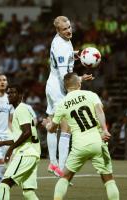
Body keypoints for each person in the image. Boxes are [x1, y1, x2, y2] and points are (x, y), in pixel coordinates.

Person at [43, 72, 120, 200]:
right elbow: (100, 111)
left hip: (79, 145)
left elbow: (52, 130)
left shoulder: (62, 104)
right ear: (79, 83)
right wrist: (105, 130)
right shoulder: (91, 95)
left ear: (65, 86)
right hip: (97, 142)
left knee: (65, 177)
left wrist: (47, 125)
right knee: (108, 180)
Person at [45, 16, 93, 176]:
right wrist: (79, 79)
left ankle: (53, 163)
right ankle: (62, 168)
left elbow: (65, 57)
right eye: (65, 29)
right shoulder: (61, 46)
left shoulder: (62, 41)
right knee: (67, 127)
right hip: (59, 88)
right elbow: (64, 74)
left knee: (52, 124)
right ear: (58, 30)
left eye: (69, 27)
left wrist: (75, 55)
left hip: (51, 85)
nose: (69, 30)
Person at [0, 84, 41, 200]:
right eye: (8, 93)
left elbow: (27, 132)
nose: (9, 95)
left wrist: (11, 149)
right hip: (32, 154)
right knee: (28, 192)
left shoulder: (21, 109)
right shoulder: (21, 110)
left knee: (4, 185)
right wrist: (2, 143)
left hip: (25, 153)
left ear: (21, 95)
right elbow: (21, 135)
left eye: (13, 93)